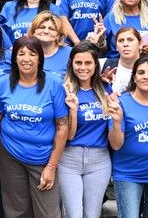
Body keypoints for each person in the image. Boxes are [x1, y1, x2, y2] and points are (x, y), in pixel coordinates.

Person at [0, 36, 68, 218]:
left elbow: (62, 126)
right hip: (10, 154)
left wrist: (51, 166)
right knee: (16, 211)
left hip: (43, 156)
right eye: (21, 54)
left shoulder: (54, 83)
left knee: (47, 213)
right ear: (14, 58)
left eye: (32, 54)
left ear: (40, 58)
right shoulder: (3, 83)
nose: (26, 59)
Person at [106, 57, 148, 218]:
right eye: (141, 72)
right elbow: (115, 145)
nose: (146, 76)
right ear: (134, 77)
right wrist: (117, 122)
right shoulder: (120, 103)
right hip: (128, 174)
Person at [57, 43, 112, 218]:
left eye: (88, 63)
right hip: (69, 158)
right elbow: (69, 136)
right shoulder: (64, 89)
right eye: (78, 62)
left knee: (92, 214)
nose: (83, 67)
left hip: (99, 159)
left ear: (96, 65)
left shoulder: (105, 88)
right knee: (73, 214)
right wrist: (73, 110)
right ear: (71, 64)